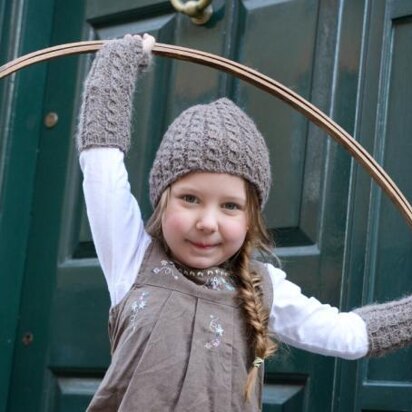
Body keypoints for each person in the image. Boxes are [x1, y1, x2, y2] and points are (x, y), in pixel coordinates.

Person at [77, 34, 412, 412]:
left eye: (231, 206)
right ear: (161, 200)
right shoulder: (132, 258)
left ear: (252, 218)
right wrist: (116, 66)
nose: (207, 222)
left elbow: (350, 336)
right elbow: (100, 161)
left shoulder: (264, 288)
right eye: (190, 199)